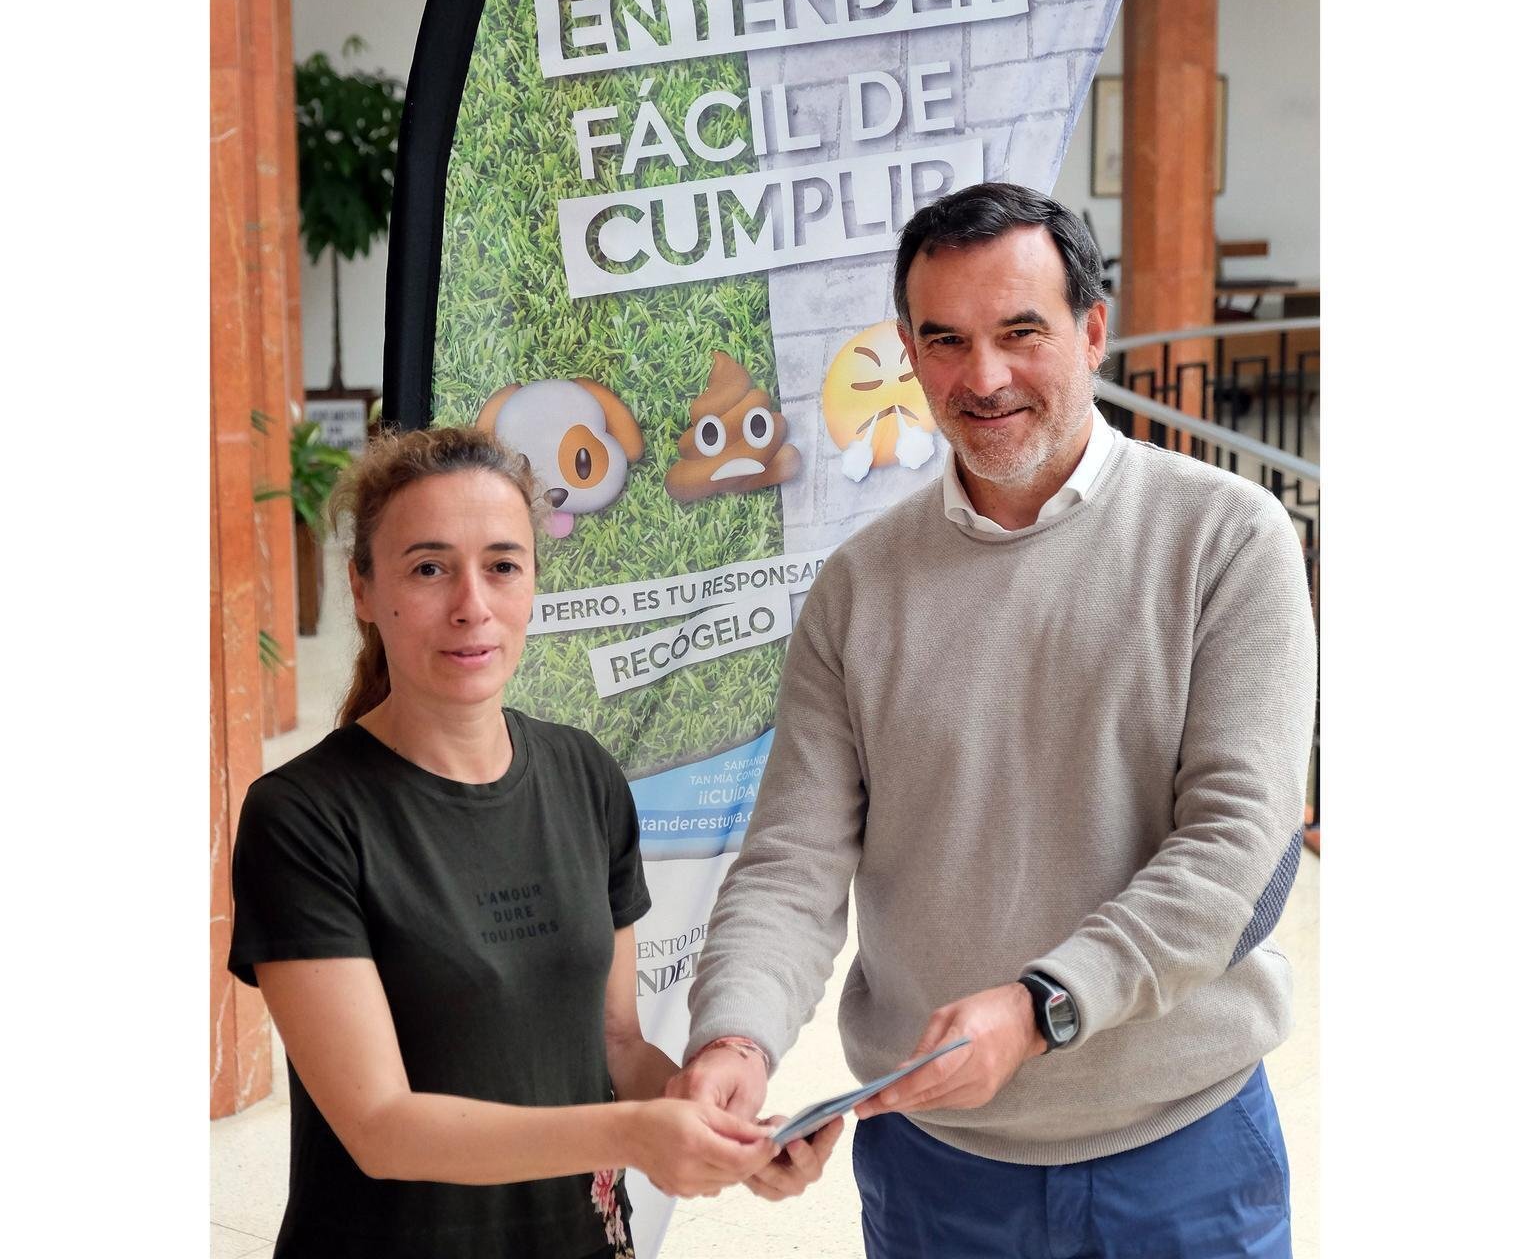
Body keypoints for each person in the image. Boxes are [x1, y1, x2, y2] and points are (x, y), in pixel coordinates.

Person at [667, 183, 1318, 1258]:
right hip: (939, 1170)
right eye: (946, 341)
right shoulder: (859, 589)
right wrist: (734, 1038)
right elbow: (792, 861)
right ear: (909, 356)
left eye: (1021, 333)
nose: (983, 377)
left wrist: (1041, 1007)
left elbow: (1236, 850)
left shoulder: (1226, 539)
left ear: (1091, 332)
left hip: (1184, 1155)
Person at [227, 426, 836, 1259]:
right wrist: (634, 1132)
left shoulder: (583, 775)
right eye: (429, 568)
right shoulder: (303, 817)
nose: (472, 605)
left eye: (503, 566)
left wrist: (716, 1123)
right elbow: (380, 1127)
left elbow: (614, 1043)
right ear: (362, 588)